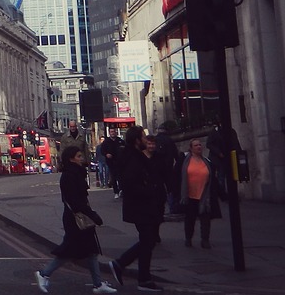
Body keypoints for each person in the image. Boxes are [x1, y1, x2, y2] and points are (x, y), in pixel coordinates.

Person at [35, 146, 115, 294]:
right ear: (71, 158)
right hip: (75, 219)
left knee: (91, 251)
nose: (81, 158)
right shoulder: (69, 176)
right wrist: (93, 215)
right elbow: (75, 201)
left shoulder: (77, 173)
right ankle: (44, 274)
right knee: (69, 251)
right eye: (78, 156)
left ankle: (98, 284)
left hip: (80, 217)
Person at [108, 128, 166, 292]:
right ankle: (122, 265)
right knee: (148, 240)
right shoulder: (132, 158)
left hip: (143, 206)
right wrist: (151, 190)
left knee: (148, 241)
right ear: (136, 140)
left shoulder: (135, 155)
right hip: (140, 206)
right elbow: (130, 185)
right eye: (143, 137)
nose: (146, 141)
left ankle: (143, 278)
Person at [177, 139, 220, 248]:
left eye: (200, 145)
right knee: (190, 219)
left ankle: (205, 240)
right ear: (191, 148)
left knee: (205, 220)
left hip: (204, 196)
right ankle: (188, 238)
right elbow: (178, 176)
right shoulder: (185, 161)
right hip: (190, 195)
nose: (199, 147)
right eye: (196, 145)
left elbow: (212, 179)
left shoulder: (206, 161)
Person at [152, 122, 180, 215]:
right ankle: (173, 207)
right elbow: (175, 153)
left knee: (159, 187)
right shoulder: (170, 140)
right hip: (169, 166)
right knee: (170, 187)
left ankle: (161, 208)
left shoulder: (155, 140)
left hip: (158, 168)